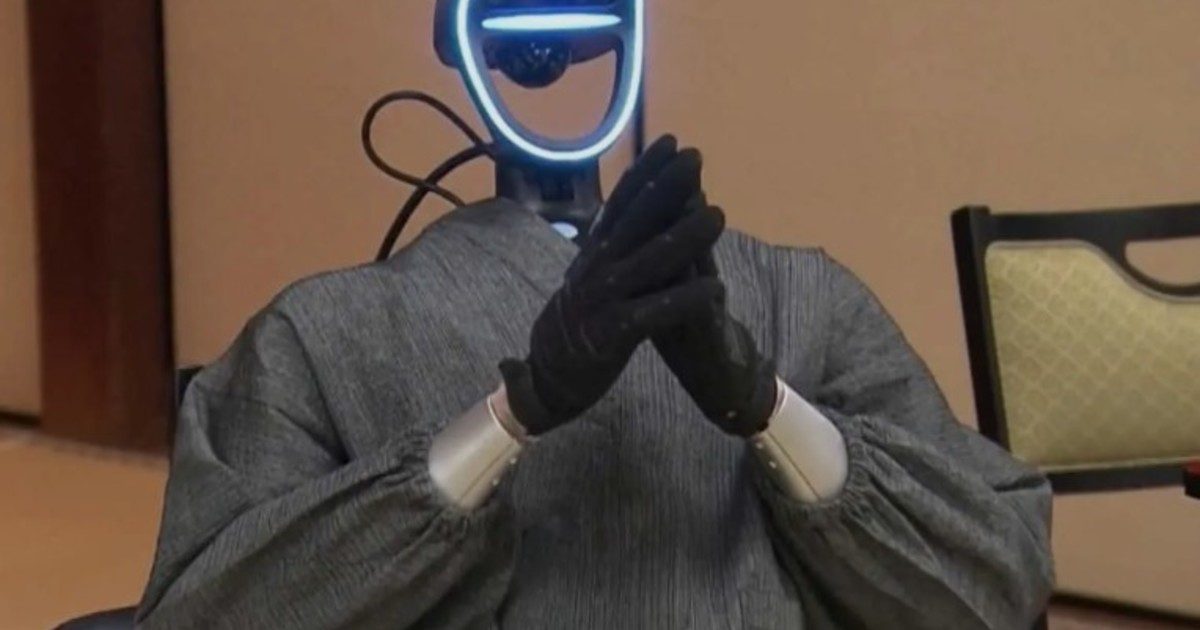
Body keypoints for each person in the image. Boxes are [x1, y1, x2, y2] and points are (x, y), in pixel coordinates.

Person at [135, 137, 1054, 630]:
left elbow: (996, 582)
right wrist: (515, 412)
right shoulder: (330, 330)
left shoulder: (802, 299)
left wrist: (763, 404)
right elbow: (204, 616)